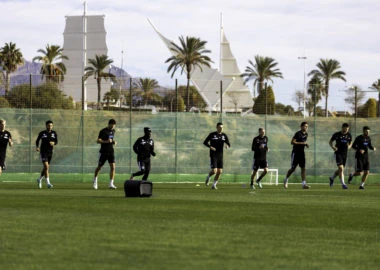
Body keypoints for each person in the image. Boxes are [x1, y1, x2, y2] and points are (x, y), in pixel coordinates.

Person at [203, 122, 230, 190]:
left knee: (220, 172)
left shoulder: (224, 135)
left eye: (222, 127)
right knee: (214, 171)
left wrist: (227, 145)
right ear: (217, 127)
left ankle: (214, 185)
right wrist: (210, 147)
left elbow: (228, 143)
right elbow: (205, 142)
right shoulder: (212, 134)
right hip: (213, 155)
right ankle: (208, 176)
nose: (221, 129)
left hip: (220, 156)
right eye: (220, 127)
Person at [284, 121, 310, 189]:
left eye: (307, 126)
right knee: (293, 169)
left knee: (303, 168)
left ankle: (304, 184)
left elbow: (304, 143)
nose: (306, 127)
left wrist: (305, 144)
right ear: (301, 127)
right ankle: (286, 179)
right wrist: (302, 143)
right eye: (305, 126)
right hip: (295, 153)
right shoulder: (298, 133)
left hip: (302, 153)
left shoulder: (306, 134)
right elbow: (292, 142)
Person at [93, 119, 117, 190]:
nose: (113, 127)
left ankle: (111, 184)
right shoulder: (103, 131)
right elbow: (98, 141)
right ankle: (95, 181)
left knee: (113, 167)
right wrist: (106, 141)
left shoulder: (113, 131)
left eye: (114, 126)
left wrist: (113, 142)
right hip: (103, 152)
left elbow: (111, 140)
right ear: (109, 124)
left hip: (111, 152)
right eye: (112, 126)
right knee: (99, 167)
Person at [328, 123, 352, 189]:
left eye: (348, 128)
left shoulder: (349, 135)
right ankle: (343, 184)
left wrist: (349, 146)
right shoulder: (337, 134)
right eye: (345, 128)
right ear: (342, 128)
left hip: (345, 154)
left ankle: (332, 178)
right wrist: (333, 147)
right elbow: (330, 142)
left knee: (340, 169)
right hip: (338, 153)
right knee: (341, 168)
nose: (347, 129)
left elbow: (350, 142)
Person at [36, 120, 58, 189]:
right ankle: (48, 183)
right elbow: (37, 140)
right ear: (46, 126)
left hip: (50, 152)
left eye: (51, 125)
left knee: (46, 168)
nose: (50, 127)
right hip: (43, 152)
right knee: (46, 166)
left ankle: (39, 179)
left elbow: (56, 141)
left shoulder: (54, 133)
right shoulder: (42, 133)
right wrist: (37, 147)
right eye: (48, 125)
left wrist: (54, 143)